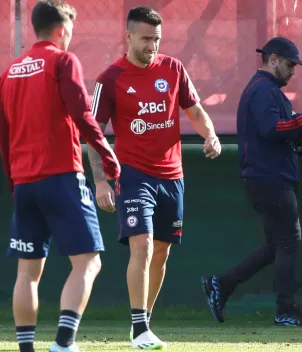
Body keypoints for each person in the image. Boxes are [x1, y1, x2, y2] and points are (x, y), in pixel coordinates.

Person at [88, 6, 221, 350]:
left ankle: (142, 325)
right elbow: (94, 135)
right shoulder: (110, 78)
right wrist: (101, 180)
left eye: (157, 39)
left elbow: (195, 110)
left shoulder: (174, 68)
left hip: (172, 175)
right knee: (142, 245)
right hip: (133, 173)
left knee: (161, 251)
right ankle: (140, 326)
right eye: (146, 39)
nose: (152, 46)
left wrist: (210, 135)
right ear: (128, 36)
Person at [0, 1, 121, 352]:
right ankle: (64, 343)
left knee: (27, 272)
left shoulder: (9, 73)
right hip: (62, 176)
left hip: (24, 183)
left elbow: (4, 137)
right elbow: (84, 114)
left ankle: (25, 348)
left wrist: (14, 183)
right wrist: (107, 154)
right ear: (61, 30)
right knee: (89, 262)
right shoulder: (63, 60)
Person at [201, 36, 302, 327]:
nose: (294, 71)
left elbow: (278, 129)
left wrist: (298, 130)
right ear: (274, 60)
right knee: (289, 241)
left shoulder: (267, 90)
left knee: (276, 245)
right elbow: (271, 128)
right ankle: (286, 309)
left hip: (266, 177)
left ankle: (222, 284)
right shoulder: (264, 90)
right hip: (270, 178)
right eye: (291, 64)